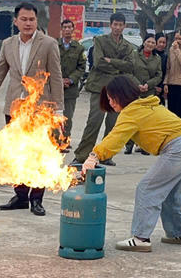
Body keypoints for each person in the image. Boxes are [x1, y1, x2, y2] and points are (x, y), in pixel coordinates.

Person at [81, 75, 181, 252]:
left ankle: (141, 238)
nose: (111, 103)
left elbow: (115, 138)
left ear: (122, 95)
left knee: (147, 189)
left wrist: (94, 156)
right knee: (171, 194)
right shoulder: (145, 104)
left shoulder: (131, 112)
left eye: (112, 98)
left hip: (178, 149)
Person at [0, 2, 63, 215]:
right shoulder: (8, 44)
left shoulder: (48, 44)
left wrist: (59, 108)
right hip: (14, 108)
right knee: (15, 152)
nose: (28, 23)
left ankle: (37, 199)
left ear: (36, 21)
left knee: (38, 155)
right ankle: (20, 196)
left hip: (40, 110)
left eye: (32, 19)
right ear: (16, 21)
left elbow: (56, 77)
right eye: (24, 19)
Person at [72, 13, 135, 166]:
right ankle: (81, 156)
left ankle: (106, 155)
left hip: (117, 89)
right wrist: (118, 66)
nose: (118, 28)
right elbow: (99, 62)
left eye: (121, 25)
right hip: (99, 86)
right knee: (94, 121)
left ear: (124, 26)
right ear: (110, 25)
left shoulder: (127, 46)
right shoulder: (99, 40)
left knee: (113, 124)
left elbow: (130, 65)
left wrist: (111, 61)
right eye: (115, 24)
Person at [126, 36, 164, 154]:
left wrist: (148, 84)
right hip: (134, 91)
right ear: (144, 42)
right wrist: (138, 84)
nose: (151, 44)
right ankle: (129, 144)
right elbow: (128, 72)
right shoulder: (134, 54)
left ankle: (144, 146)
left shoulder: (157, 58)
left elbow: (159, 75)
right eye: (148, 41)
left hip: (149, 92)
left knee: (147, 120)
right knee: (132, 119)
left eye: (153, 42)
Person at [58, 19, 86, 147]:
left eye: (70, 27)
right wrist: (59, 80)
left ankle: (65, 140)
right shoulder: (54, 45)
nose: (67, 30)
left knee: (68, 116)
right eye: (65, 27)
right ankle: (55, 140)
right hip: (55, 87)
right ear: (61, 29)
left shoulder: (79, 48)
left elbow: (81, 67)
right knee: (54, 116)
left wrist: (70, 79)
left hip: (71, 88)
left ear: (73, 30)